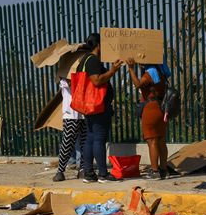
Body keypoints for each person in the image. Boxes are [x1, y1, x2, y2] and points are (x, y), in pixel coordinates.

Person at [78, 33, 123, 183]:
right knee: (99, 138)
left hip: (89, 106)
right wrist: (112, 71)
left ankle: (89, 173)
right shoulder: (93, 61)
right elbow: (96, 81)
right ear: (98, 45)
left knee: (90, 138)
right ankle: (103, 173)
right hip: (98, 106)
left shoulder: (83, 61)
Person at [125, 58, 171, 179]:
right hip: (161, 108)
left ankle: (155, 171)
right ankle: (163, 170)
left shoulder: (150, 73)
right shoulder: (160, 71)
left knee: (152, 141)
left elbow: (138, 84)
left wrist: (131, 68)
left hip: (151, 109)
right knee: (161, 140)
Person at [52, 75, 87, 182]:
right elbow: (72, 86)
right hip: (71, 114)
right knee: (67, 142)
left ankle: (83, 168)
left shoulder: (83, 74)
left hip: (84, 112)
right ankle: (60, 171)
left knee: (84, 142)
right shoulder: (64, 78)